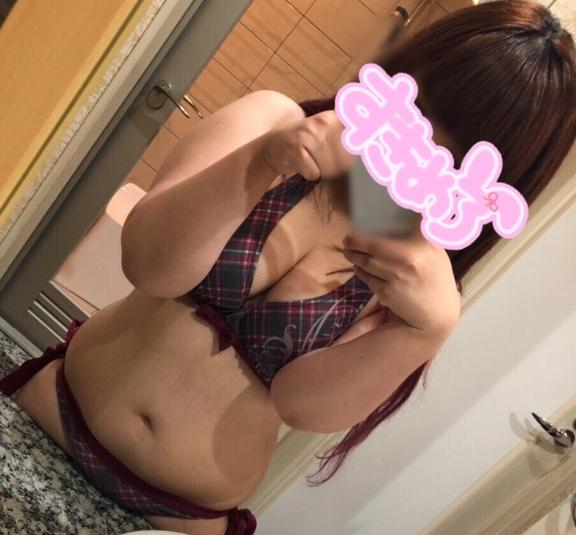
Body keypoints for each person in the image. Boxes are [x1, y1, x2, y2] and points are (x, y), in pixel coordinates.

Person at [1, 1, 575, 534]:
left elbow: (302, 406)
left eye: (463, 150)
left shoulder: (418, 288)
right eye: (426, 113)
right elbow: (149, 264)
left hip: (176, 520)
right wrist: (263, 159)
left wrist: (423, 333)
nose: (426, 149)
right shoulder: (273, 118)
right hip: (54, 416)